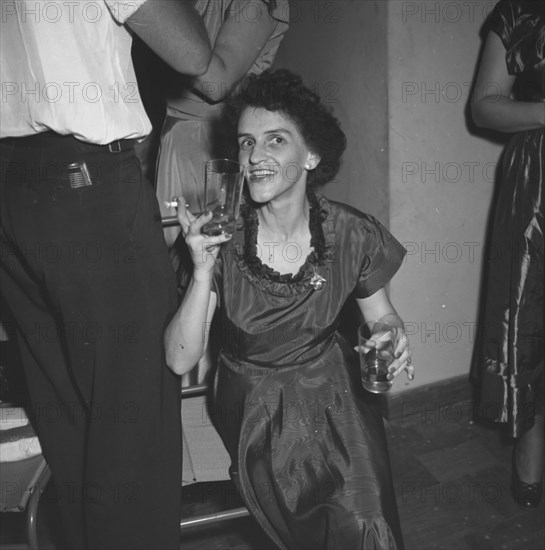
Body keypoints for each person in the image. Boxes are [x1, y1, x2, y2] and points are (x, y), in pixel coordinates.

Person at [165, 69, 414, 550]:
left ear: (311, 155)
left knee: (367, 519)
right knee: (301, 527)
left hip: (338, 390)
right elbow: (179, 359)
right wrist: (200, 271)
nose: (255, 156)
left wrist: (392, 333)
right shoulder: (222, 238)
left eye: (275, 140)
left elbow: (381, 315)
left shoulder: (351, 233)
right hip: (257, 402)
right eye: (245, 143)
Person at [0, 2, 212, 549]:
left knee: (66, 414)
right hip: (84, 187)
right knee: (133, 416)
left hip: (11, 190)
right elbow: (192, 50)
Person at [470, 0, 544, 510]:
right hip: (540, 177)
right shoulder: (522, 10)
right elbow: (484, 105)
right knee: (531, 319)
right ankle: (532, 446)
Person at [156, 0, 290, 250]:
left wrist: (153, 24)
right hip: (176, 136)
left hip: (210, 144)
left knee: (205, 253)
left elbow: (216, 83)